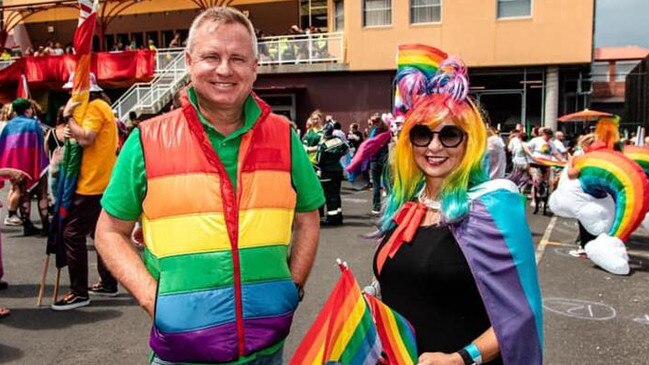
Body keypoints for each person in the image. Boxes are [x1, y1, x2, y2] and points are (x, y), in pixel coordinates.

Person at [94, 7, 324, 365]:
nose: (224, 69)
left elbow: (308, 215)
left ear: (254, 67)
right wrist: (154, 300)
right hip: (181, 354)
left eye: (237, 58)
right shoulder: (146, 141)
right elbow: (109, 231)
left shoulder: (285, 137)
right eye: (211, 56)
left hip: (267, 351)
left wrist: (289, 289)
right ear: (189, 61)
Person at [372, 44, 543, 365]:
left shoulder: (491, 209)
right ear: (409, 142)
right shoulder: (409, 205)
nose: (434, 146)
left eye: (449, 134)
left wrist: (462, 358)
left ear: (469, 142)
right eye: (423, 134)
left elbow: (522, 314)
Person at [50, 73, 119, 310]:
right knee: (98, 233)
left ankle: (79, 292)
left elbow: (86, 138)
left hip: (91, 184)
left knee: (72, 233)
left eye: (74, 90)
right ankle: (108, 282)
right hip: (101, 181)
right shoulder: (101, 106)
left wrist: (69, 115)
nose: (71, 94)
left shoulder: (95, 107)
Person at [0, 98, 49, 236]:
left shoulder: (9, 126)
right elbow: (39, 146)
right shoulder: (33, 124)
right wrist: (40, 164)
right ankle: (46, 226)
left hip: (16, 167)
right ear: (28, 109)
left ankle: (27, 225)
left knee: (23, 194)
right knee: (42, 194)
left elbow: (4, 148)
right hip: (34, 164)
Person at [317, 122, 349, 226]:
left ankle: (332, 218)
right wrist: (338, 156)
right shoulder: (339, 141)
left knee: (329, 195)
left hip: (327, 172)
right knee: (336, 193)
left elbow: (319, 160)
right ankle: (339, 216)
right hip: (338, 169)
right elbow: (346, 149)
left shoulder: (324, 145)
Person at [369, 114, 389, 215]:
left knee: (376, 184)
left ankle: (376, 206)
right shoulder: (388, 133)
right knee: (387, 183)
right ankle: (390, 206)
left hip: (374, 160)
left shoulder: (373, 132)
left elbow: (368, 144)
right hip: (385, 159)